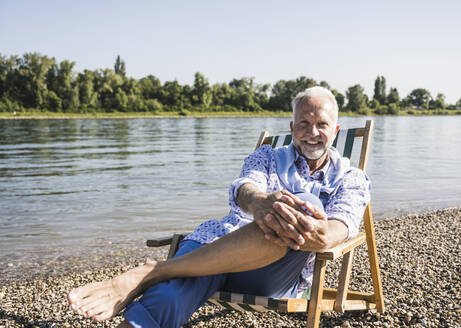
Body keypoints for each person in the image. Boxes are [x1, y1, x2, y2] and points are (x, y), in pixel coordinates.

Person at [67, 86, 370, 327]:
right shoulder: (266, 156)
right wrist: (261, 203)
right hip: (213, 244)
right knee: (172, 295)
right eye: (304, 123)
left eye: (322, 124)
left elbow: (339, 228)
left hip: (270, 273)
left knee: (308, 204)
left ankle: (152, 271)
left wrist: (305, 222)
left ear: (336, 129)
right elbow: (244, 188)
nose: (312, 132)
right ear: (292, 126)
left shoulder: (352, 179)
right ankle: (156, 282)